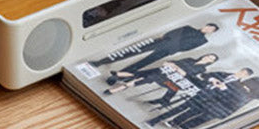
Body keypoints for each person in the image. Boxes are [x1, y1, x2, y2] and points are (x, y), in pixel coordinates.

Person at [91, 22, 220, 79]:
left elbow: (188, 47)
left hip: (170, 49)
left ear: (211, 33)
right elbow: (173, 32)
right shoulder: (188, 27)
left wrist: (174, 47)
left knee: (143, 63)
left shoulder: (203, 41)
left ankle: (119, 76)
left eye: (211, 30)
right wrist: (165, 38)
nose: (208, 29)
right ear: (205, 25)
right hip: (162, 41)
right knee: (131, 51)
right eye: (209, 26)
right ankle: (101, 62)